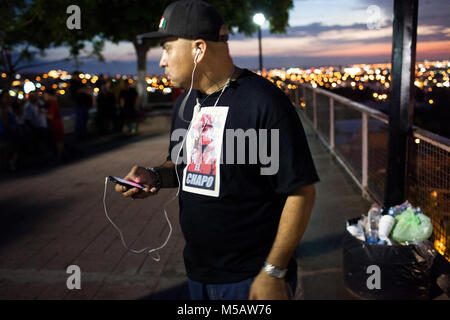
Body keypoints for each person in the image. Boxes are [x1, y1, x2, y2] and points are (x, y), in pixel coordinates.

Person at [115, 0, 319, 300]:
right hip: (198, 275)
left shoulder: (263, 103)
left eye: (168, 48)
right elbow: (183, 166)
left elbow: (300, 192)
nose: (162, 61)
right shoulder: (185, 107)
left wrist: (273, 271)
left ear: (198, 48)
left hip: (252, 279)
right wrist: (154, 177)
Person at [44, 88, 65, 163]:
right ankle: (60, 155)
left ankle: (59, 156)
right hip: (57, 123)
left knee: (58, 140)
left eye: (46, 95)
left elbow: (51, 116)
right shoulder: (53, 102)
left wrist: (43, 113)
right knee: (59, 140)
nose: (44, 97)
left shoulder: (52, 103)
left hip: (55, 124)